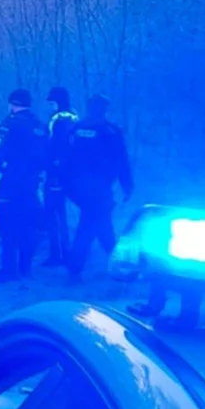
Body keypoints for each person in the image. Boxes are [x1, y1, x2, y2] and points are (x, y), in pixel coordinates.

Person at [64, 94, 133, 283]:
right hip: (99, 187)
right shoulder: (109, 131)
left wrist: (65, 185)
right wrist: (127, 185)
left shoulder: (76, 129)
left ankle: (117, 263)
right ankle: (76, 269)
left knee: (102, 225)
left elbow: (65, 158)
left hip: (78, 187)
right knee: (89, 226)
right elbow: (121, 161)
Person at [0, 88, 49, 282]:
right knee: (28, 224)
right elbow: (48, 155)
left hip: (11, 182)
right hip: (31, 184)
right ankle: (25, 267)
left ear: (12, 104)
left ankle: (8, 270)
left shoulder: (9, 124)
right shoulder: (40, 126)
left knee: (6, 224)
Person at [42, 86, 78, 267]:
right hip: (69, 174)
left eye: (52, 102)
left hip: (57, 175)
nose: (50, 106)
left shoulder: (60, 120)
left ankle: (59, 254)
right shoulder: (74, 117)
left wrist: (51, 168)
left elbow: (56, 148)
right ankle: (65, 252)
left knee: (55, 215)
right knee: (61, 214)